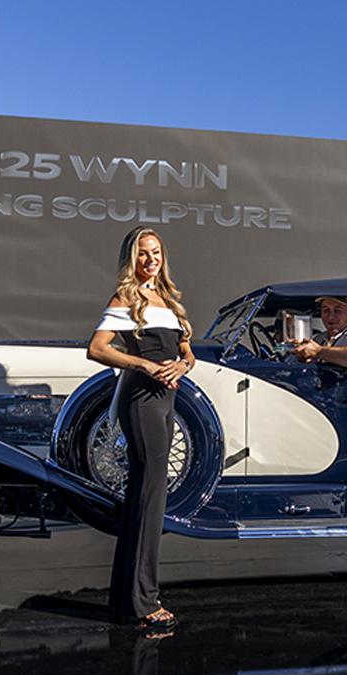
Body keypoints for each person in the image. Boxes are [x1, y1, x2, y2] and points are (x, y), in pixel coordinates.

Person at [87, 226, 194, 632]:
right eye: (143, 254)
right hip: (141, 400)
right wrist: (146, 365)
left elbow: (187, 352)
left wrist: (181, 366)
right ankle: (145, 602)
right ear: (132, 259)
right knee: (150, 496)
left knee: (146, 497)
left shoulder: (168, 301)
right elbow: (96, 348)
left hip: (167, 400)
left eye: (156, 253)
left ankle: (127, 601)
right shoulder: (126, 300)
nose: (151, 260)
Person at [292, 295, 347, 367]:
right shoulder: (319, 339)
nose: (331, 316)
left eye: (337, 310)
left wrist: (319, 351)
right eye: (326, 310)